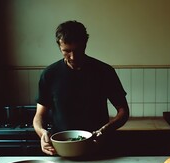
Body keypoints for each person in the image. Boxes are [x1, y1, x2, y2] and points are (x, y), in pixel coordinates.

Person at [33, 20, 130, 155]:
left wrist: (105, 130)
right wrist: (42, 133)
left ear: (85, 44)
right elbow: (39, 115)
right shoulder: (49, 74)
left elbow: (123, 111)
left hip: (97, 147)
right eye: (66, 51)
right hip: (61, 150)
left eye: (78, 50)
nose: (73, 57)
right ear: (59, 46)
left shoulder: (104, 71)